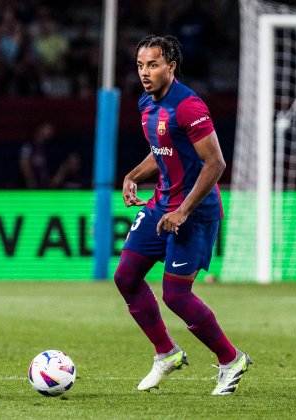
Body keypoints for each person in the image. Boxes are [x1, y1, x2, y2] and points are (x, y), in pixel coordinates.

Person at [114, 35, 251, 396]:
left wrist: (183, 210)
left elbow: (216, 163)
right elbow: (162, 151)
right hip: (162, 204)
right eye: (141, 65)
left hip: (195, 211)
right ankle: (166, 353)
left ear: (171, 67)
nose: (145, 72)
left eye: (153, 65)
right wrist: (132, 175)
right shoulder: (146, 102)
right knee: (126, 277)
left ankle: (230, 358)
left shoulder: (188, 106)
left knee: (176, 295)